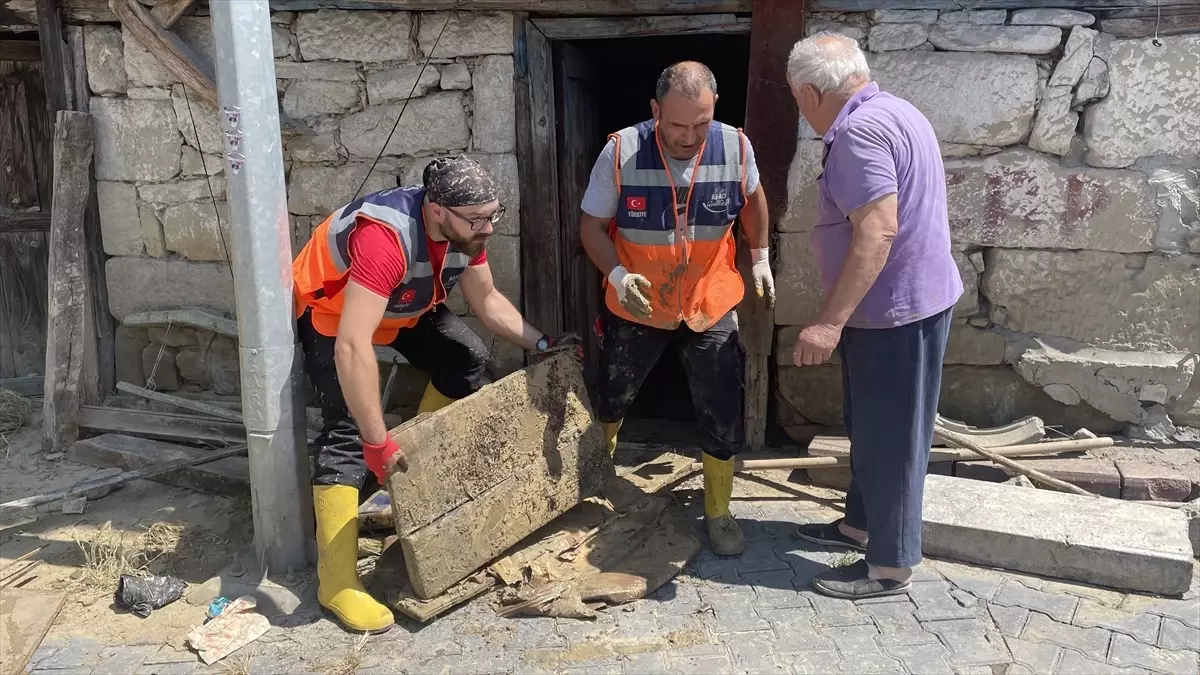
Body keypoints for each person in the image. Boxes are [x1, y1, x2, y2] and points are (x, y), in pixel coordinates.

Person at [291, 155, 574, 632]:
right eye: (477, 219)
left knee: (465, 359)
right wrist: (375, 439)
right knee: (347, 434)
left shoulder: (466, 231)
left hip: (400, 304)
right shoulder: (386, 240)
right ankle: (336, 582)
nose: (487, 228)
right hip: (333, 312)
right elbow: (352, 344)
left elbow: (486, 302)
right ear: (437, 210)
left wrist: (543, 344)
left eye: (493, 215)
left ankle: (406, 472)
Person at [785, 34, 963, 599]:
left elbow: (878, 230)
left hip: (896, 311)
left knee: (892, 438)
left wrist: (827, 323)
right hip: (896, 305)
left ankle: (890, 565)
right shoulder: (897, 110)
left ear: (810, 92)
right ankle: (861, 526)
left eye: (796, 99)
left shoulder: (859, 133)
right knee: (867, 425)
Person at [579, 61, 773, 557]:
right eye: (677, 125)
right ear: (654, 111)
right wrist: (618, 276)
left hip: (709, 299)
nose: (689, 136)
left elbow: (752, 201)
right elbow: (591, 227)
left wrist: (760, 257)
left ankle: (718, 510)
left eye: (701, 123)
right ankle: (597, 487)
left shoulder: (736, 145)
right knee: (613, 395)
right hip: (639, 299)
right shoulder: (621, 150)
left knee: (720, 405)